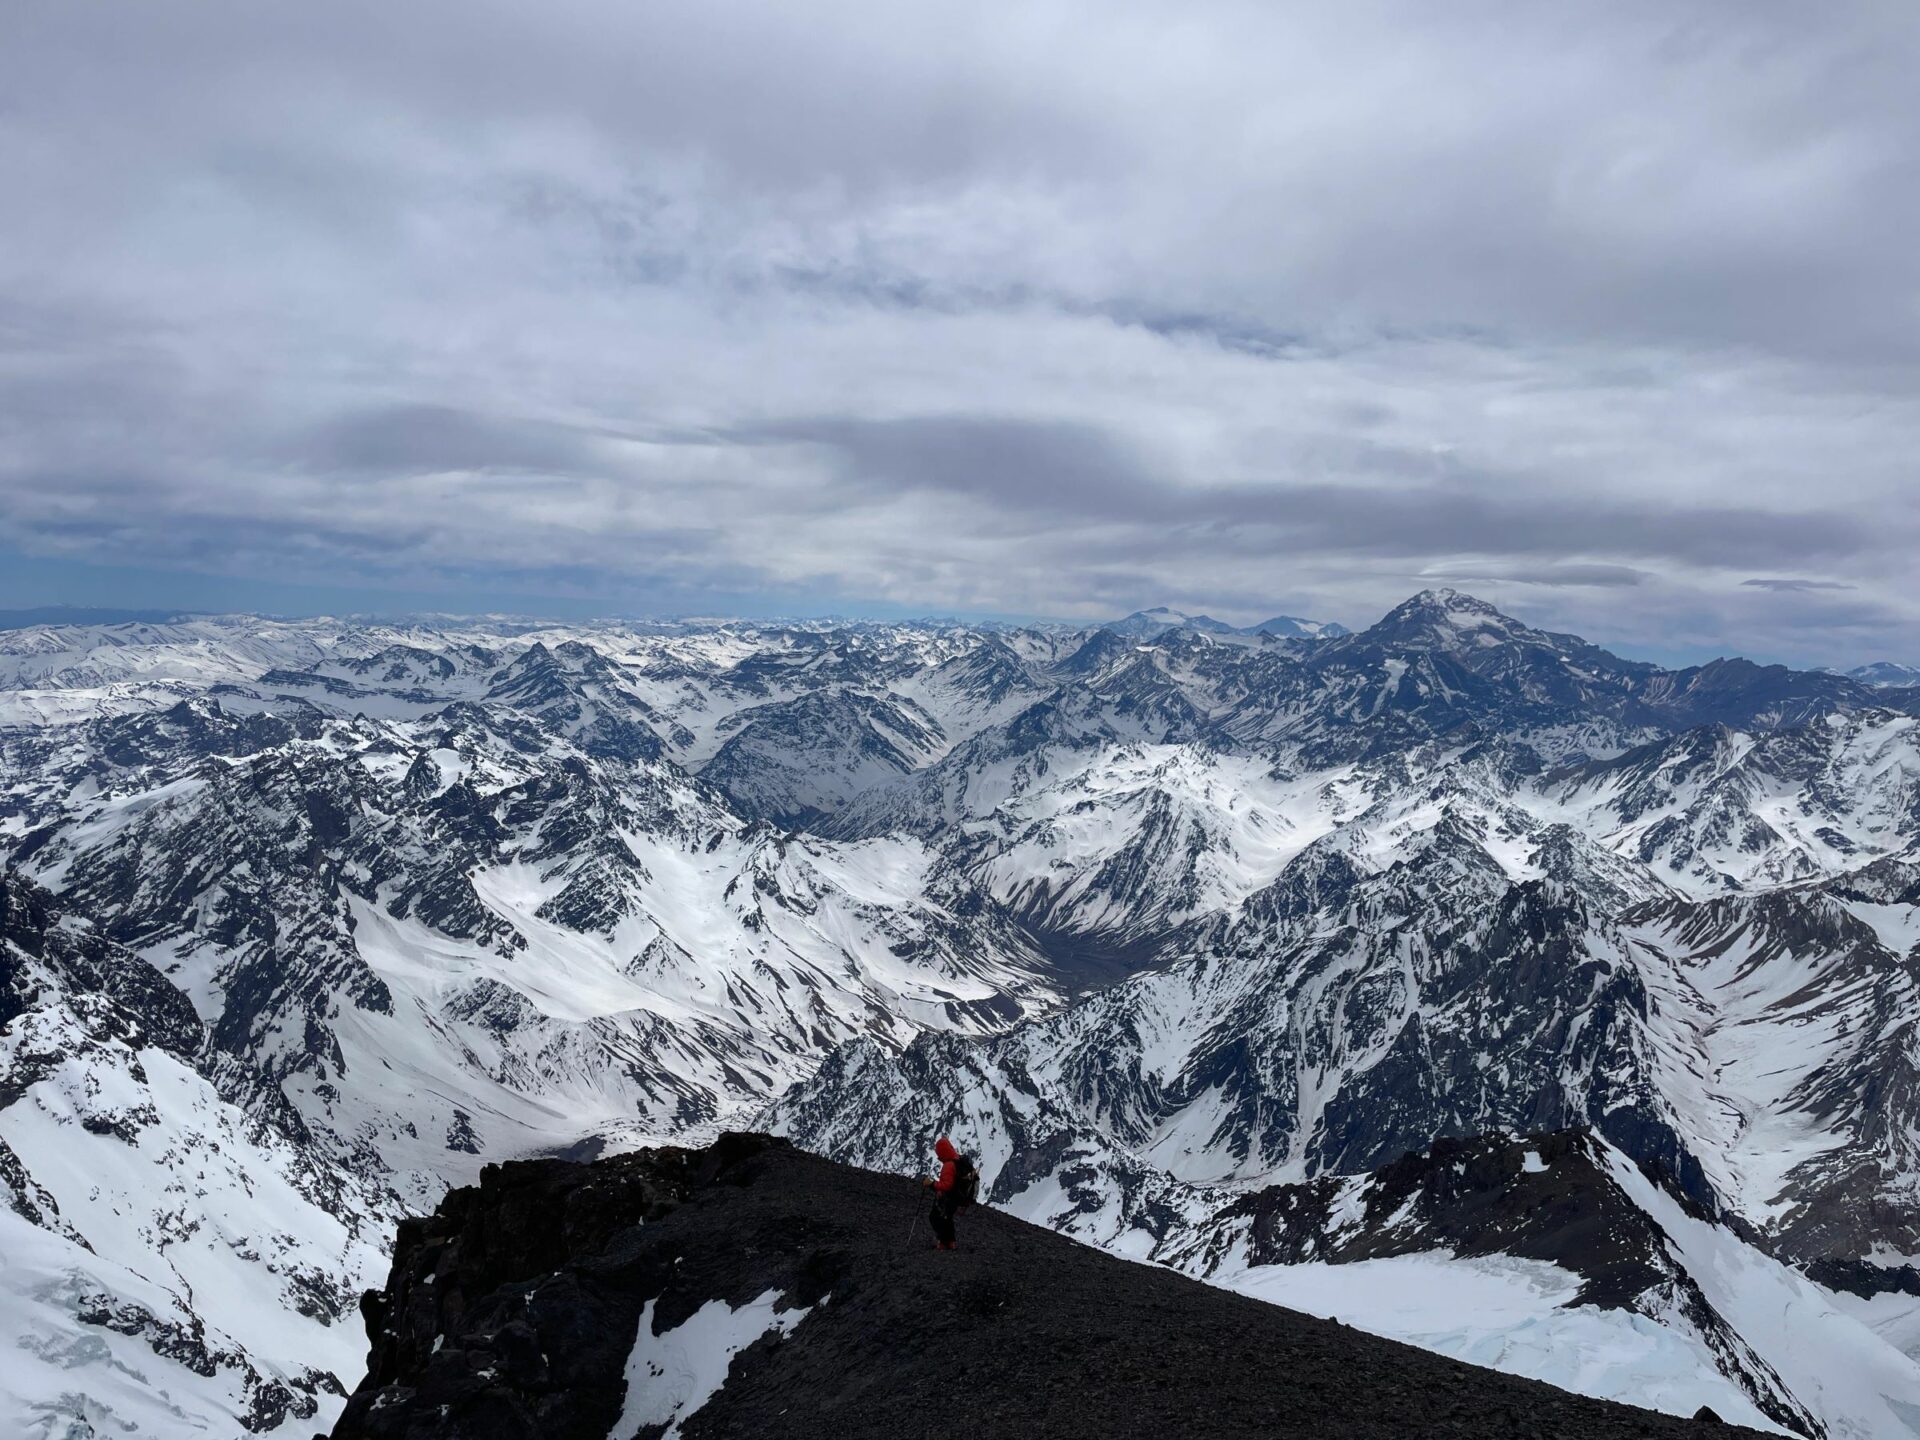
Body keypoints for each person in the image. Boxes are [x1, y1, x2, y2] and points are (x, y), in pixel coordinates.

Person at [922, 1135, 964, 1250]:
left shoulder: (948, 1165)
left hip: (948, 1199)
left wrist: (931, 1184)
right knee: (947, 1219)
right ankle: (951, 1242)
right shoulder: (957, 1160)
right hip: (956, 1199)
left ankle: (943, 1242)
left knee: (935, 1217)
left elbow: (947, 1185)